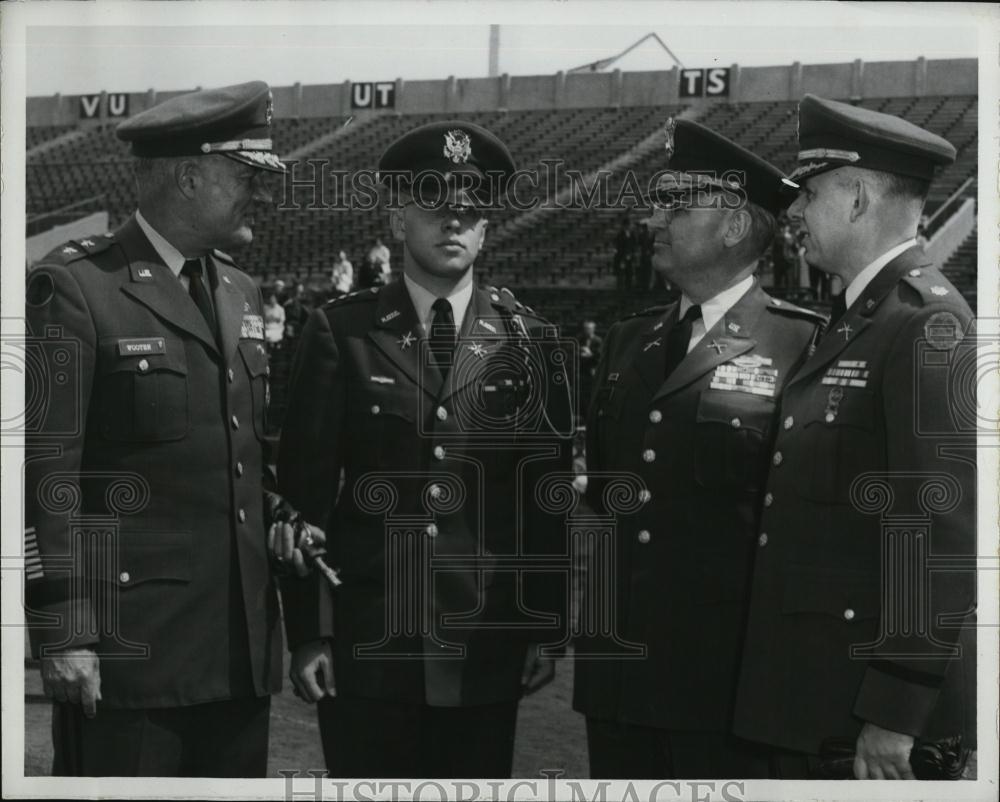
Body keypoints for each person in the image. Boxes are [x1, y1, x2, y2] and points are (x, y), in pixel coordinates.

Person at [22, 81, 313, 777]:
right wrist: (64, 629)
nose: (264, 196)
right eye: (248, 177)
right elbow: (44, 474)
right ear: (190, 176)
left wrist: (279, 515)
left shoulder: (240, 290)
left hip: (239, 654)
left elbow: (231, 456)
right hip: (131, 661)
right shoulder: (76, 288)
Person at [274, 120, 574, 779]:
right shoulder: (341, 332)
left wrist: (544, 628)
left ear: (487, 227)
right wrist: (307, 632)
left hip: (485, 645)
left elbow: (543, 505)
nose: (454, 226)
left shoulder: (530, 341)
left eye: (469, 214)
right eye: (436, 209)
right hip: (368, 642)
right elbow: (306, 495)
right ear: (398, 219)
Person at [733, 94, 976, 781]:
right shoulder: (855, 319)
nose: (794, 215)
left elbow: (940, 538)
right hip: (818, 700)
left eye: (809, 195)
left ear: (860, 199)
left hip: (868, 721)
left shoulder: (927, 325)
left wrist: (897, 713)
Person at [574, 119, 825, 779]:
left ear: (736, 227)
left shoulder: (803, 347)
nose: (654, 219)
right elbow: (606, 504)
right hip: (620, 680)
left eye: (677, 205)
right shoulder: (630, 343)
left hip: (726, 688)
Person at [576, 319, 603, 419]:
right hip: (582, 371)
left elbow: (598, 357)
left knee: (592, 394)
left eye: (589, 328)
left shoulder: (598, 340)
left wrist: (589, 354)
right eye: (585, 328)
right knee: (581, 395)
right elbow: (575, 354)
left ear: (593, 329)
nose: (587, 330)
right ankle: (582, 415)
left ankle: (591, 415)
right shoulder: (579, 339)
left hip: (593, 372)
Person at [611, 217, 636, 289]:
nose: (628, 227)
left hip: (630, 257)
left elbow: (634, 245)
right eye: (627, 225)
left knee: (629, 274)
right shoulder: (620, 235)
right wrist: (623, 256)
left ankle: (629, 288)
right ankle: (620, 290)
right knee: (621, 274)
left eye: (628, 225)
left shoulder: (632, 234)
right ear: (624, 226)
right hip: (622, 257)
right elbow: (619, 246)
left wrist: (631, 254)